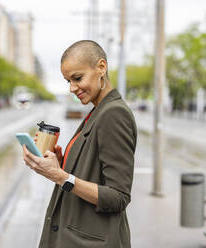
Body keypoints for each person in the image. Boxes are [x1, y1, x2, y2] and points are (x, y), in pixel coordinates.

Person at [22, 40, 137, 248]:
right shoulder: (98, 110)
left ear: (101, 67)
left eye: (78, 78)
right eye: (68, 81)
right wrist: (58, 162)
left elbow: (118, 196)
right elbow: (92, 171)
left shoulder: (113, 114)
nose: (73, 88)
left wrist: (60, 176)